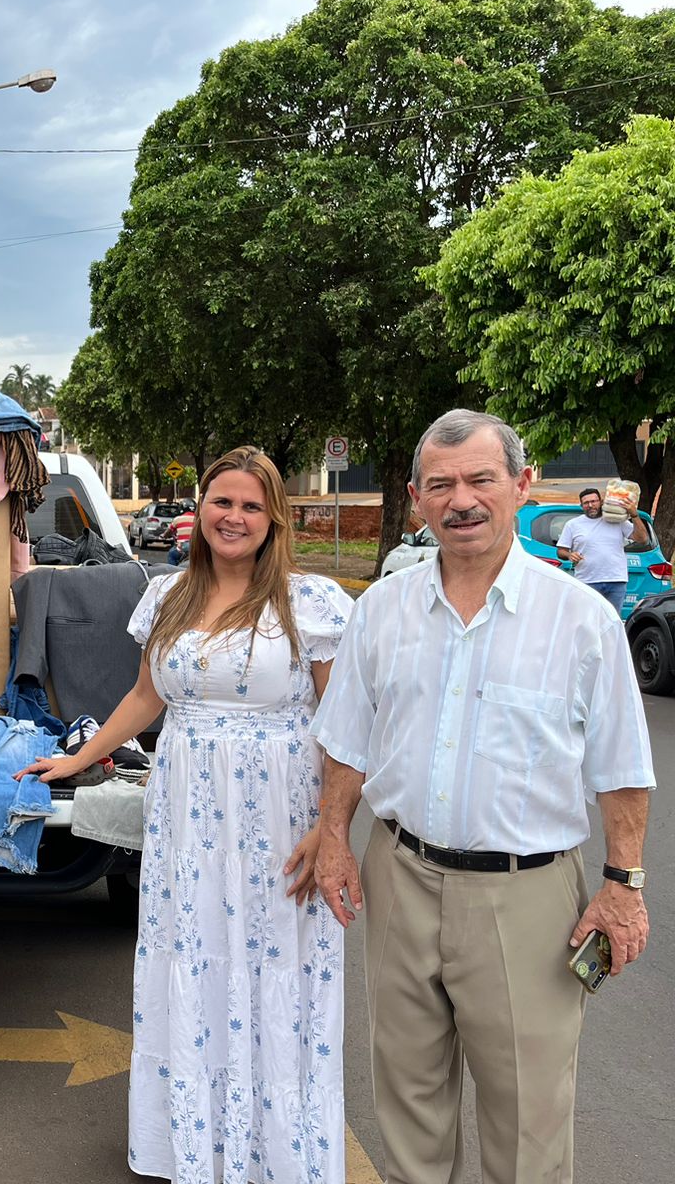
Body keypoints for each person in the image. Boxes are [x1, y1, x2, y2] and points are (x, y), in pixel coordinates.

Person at [313, 410, 655, 1184]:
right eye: (440, 484)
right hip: (399, 876)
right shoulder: (381, 611)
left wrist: (622, 889)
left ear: (522, 485)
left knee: (528, 1128)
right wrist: (335, 836)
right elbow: (346, 743)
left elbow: (624, 769)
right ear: (415, 499)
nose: (460, 500)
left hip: (528, 896)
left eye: (479, 480)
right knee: (406, 1107)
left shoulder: (582, 622)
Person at [22, 445, 353, 1182]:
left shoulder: (312, 602)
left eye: (250, 506)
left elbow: (343, 725)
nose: (233, 517)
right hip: (188, 810)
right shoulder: (166, 594)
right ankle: (197, 1142)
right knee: (194, 956)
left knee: (273, 964)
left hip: (279, 811)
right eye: (221, 502)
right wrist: (78, 758)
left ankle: (275, 1149)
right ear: (199, 509)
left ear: (273, 520)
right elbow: (148, 697)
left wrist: (331, 829)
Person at [556, 484, 651, 616]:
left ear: (601, 502)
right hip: (587, 581)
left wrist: (634, 515)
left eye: (593, 501)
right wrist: (570, 555)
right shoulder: (573, 525)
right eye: (586, 503)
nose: (590, 505)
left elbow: (642, 539)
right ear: (581, 506)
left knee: (612, 622)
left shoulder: (617, 520)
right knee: (587, 621)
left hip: (616, 581)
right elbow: (561, 551)